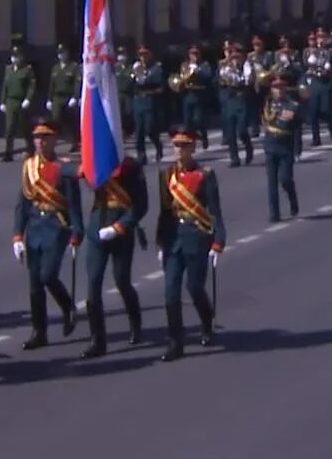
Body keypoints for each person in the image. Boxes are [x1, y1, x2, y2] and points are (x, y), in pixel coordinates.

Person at [155, 128, 225, 362]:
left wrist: (218, 241)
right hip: (173, 239)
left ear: (193, 148)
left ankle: (206, 321)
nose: (180, 150)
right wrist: (160, 241)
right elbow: (164, 211)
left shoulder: (205, 174)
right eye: (176, 145)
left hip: (197, 236)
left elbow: (214, 210)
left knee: (195, 288)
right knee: (170, 293)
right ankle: (176, 342)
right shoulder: (166, 175)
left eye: (184, 146)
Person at [12, 119, 81, 351]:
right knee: (34, 284)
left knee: (48, 275)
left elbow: (73, 203)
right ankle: (38, 331)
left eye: (45, 137)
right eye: (37, 138)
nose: (40, 142)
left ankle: (67, 305)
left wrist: (76, 231)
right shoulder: (28, 166)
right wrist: (17, 236)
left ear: (54, 140)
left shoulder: (63, 166)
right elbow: (22, 204)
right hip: (34, 228)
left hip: (56, 226)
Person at [78, 139, 148, 357]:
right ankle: (97, 340)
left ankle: (135, 325)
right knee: (93, 285)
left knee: (122, 281)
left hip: (120, 231)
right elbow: (65, 168)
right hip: (97, 228)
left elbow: (140, 205)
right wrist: (81, 170)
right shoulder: (95, 164)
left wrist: (119, 227)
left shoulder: (131, 167)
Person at [262, 78, 301, 222]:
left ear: (285, 89)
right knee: (271, 182)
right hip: (270, 145)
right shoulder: (268, 103)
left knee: (285, 179)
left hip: (285, 146)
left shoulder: (292, 106)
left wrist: (298, 149)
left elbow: (297, 129)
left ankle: (292, 197)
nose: (278, 90)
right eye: (275, 88)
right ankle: (274, 213)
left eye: (281, 88)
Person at [0, 46, 36, 162]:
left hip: (21, 101)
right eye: (13, 57)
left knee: (24, 127)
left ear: (21, 57)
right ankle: (8, 152)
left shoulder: (27, 70)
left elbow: (32, 86)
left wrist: (28, 99)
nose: (15, 59)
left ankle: (31, 149)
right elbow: (5, 87)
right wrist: (2, 101)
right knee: (9, 128)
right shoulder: (8, 69)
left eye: (17, 57)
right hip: (10, 101)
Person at [46, 44, 82, 151]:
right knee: (55, 120)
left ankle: (75, 142)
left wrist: (75, 97)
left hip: (68, 97)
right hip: (57, 98)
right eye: (59, 53)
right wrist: (49, 99)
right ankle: (52, 143)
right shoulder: (55, 68)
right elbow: (52, 85)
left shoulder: (73, 67)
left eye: (63, 53)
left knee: (71, 122)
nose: (61, 56)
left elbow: (77, 83)